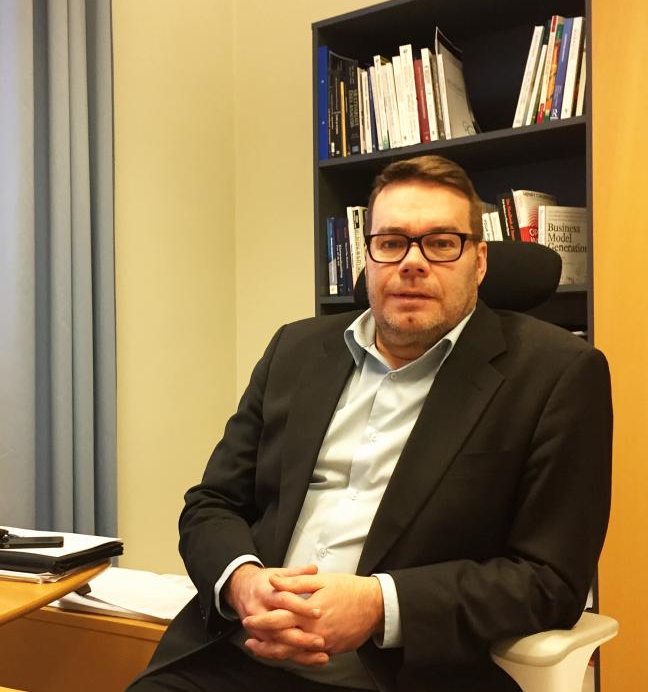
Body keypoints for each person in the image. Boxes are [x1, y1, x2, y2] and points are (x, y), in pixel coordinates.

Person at [128, 155, 612, 692]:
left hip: (402, 676)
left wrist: (380, 605)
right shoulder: (295, 350)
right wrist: (242, 582)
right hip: (237, 657)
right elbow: (212, 503)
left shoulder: (557, 375)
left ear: (479, 262)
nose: (412, 262)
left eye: (441, 243)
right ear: (369, 257)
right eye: (392, 242)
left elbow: (550, 580)